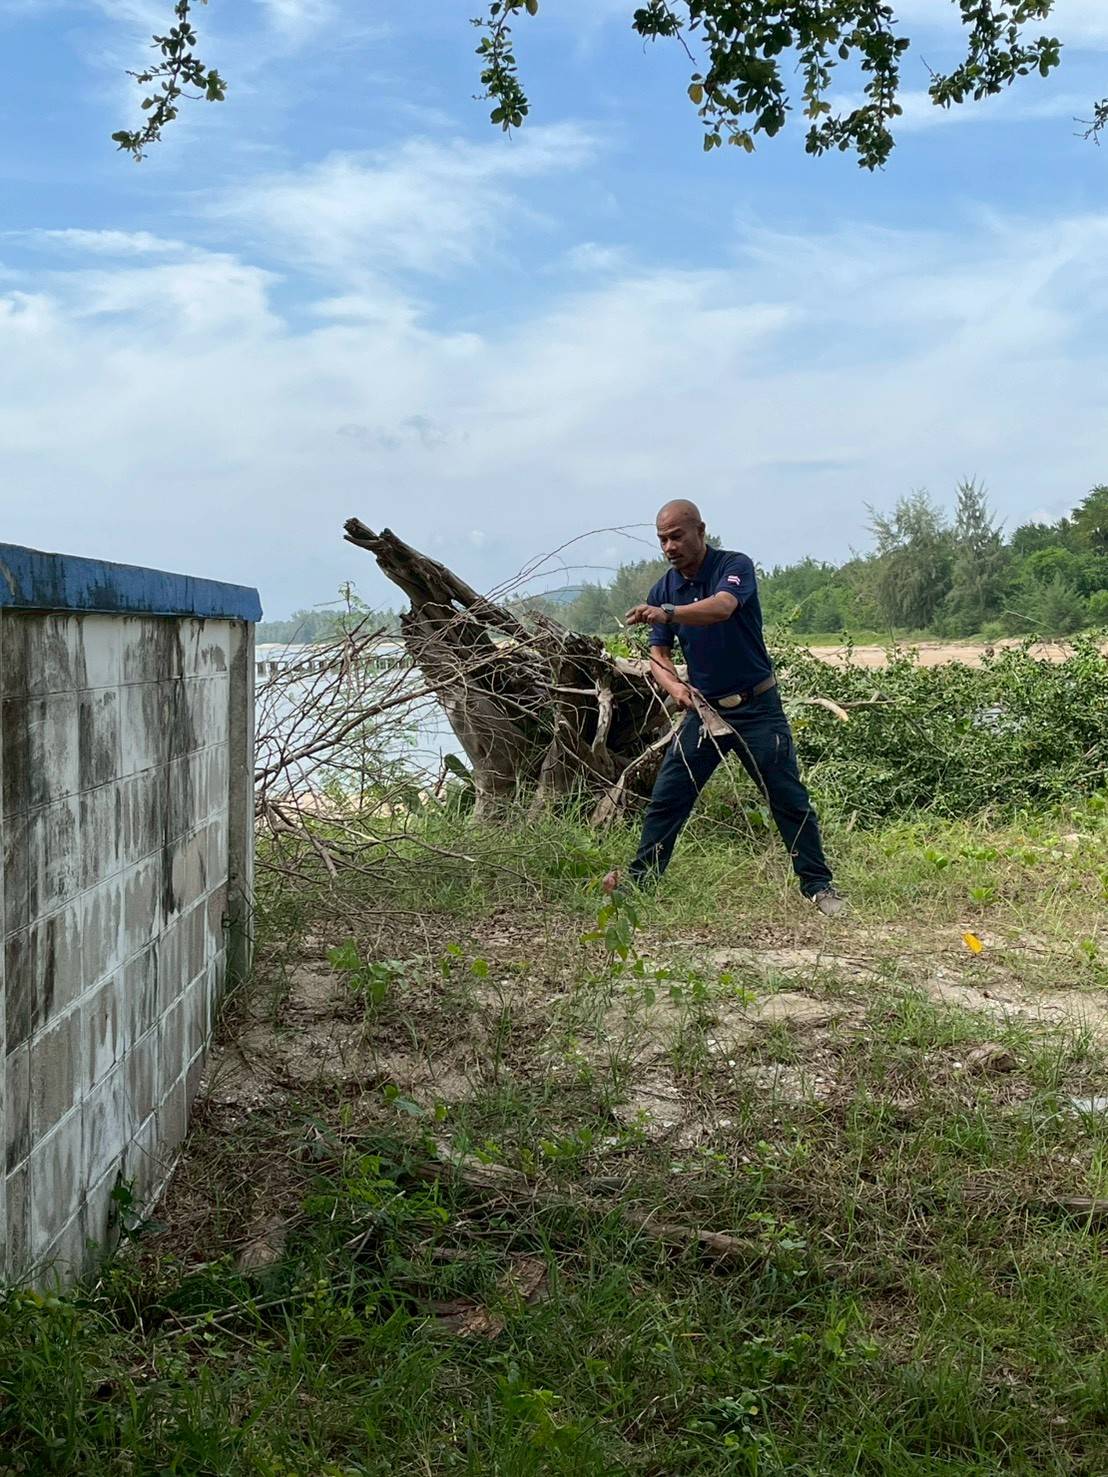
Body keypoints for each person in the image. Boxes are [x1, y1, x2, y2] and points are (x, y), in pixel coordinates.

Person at [602, 500, 844, 917]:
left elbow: (722, 607)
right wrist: (673, 684)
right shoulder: (664, 588)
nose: (669, 546)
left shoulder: (734, 566)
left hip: (757, 707)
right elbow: (658, 651)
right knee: (668, 797)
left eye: (677, 536)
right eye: (662, 539)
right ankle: (641, 886)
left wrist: (669, 612)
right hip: (705, 713)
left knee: (787, 798)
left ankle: (819, 888)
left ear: (701, 530)